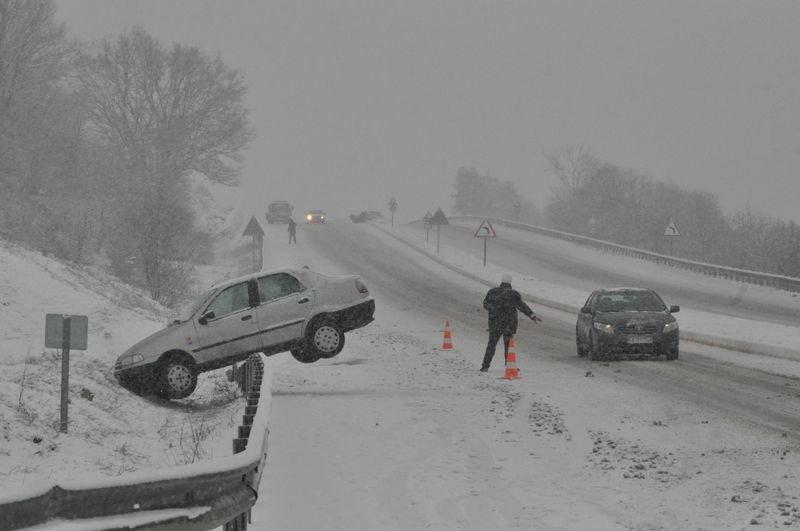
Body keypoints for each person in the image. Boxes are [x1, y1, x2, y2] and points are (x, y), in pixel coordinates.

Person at [480, 273, 541, 372]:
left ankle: (485, 366)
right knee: (508, 346)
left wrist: (494, 310)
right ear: (510, 282)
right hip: (508, 324)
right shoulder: (513, 294)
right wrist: (532, 315)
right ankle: (509, 365)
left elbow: (485, 304)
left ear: (502, 281)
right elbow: (522, 306)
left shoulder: (492, 292)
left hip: (495, 323)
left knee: (491, 345)